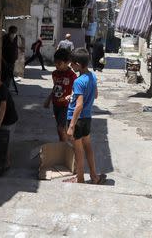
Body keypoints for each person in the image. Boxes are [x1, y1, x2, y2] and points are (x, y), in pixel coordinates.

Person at [66, 48, 106, 184]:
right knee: (88, 146)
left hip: (77, 119)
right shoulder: (92, 76)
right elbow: (95, 95)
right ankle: (94, 176)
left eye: (72, 64)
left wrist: (71, 125)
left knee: (78, 150)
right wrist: (73, 97)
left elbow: (79, 105)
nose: (71, 66)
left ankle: (80, 178)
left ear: (78, 64)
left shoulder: (78, 81)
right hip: (87, 118)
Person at [44, 48, 77, 141]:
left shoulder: (72, 76)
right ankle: (63, 143)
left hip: (66, 106)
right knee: (60, 128)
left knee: (60, 128)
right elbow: (55, 87)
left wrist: (71, 97)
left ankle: (64, 147)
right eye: (55, 63)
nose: (56, 65)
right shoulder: (55, 74)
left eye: (59, 63)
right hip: (56, 104)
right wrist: (49, 99)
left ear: (67, 62)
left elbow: (77, 91)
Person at [1, 26, 19, 94]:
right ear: (9, 32)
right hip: (5, 61)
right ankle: (4, 91)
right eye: (13, 32)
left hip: (12, 61)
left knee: (9, 77)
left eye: (15, 32)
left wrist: (16, 56)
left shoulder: (15, 38)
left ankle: (6, 90)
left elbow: (15, 47)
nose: (14, 33)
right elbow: (1, 51)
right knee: (4, 77)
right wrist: (3, 61)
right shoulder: (4, 38)